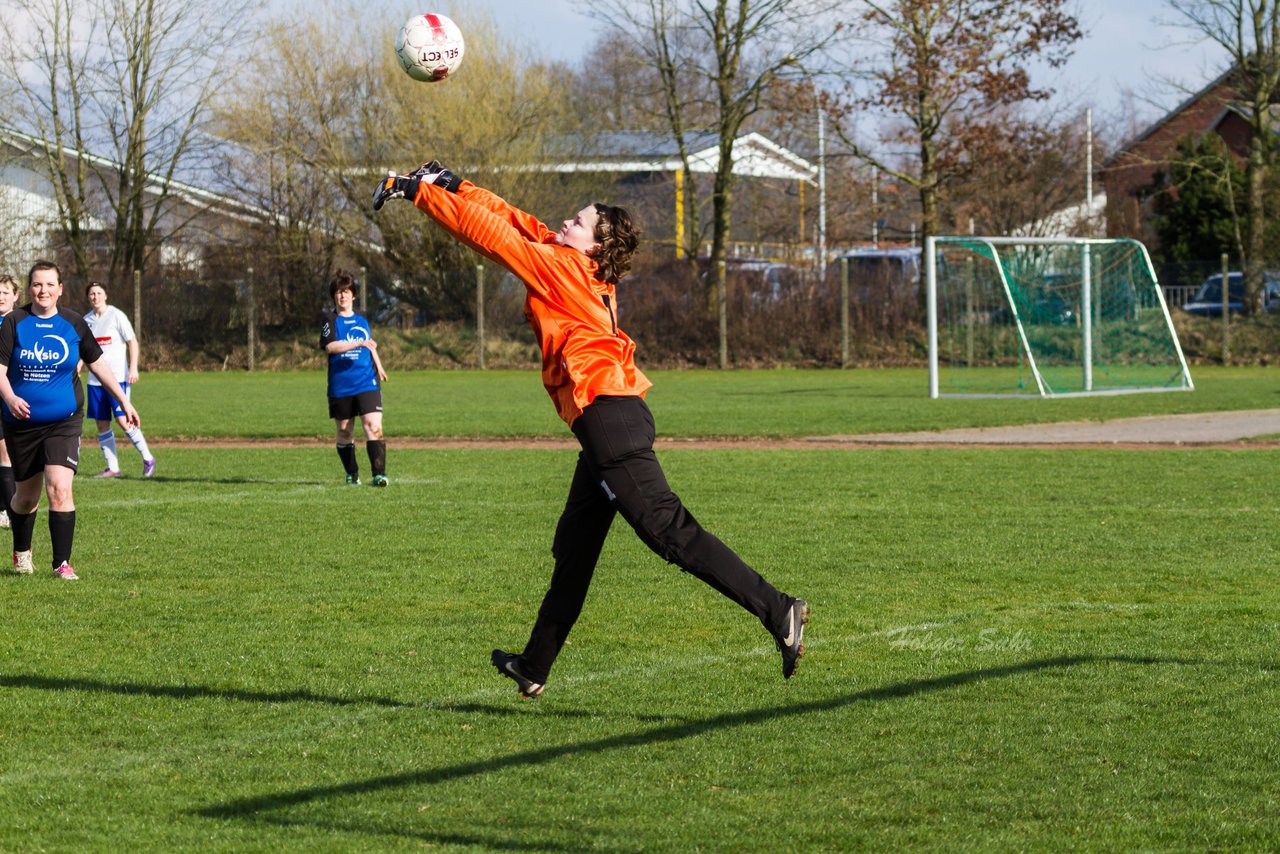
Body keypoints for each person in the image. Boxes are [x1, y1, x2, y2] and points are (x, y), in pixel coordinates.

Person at [373, 162, 809, 697]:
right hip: (608, 419)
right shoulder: (580, 265)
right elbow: (515, 222)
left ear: (593, 246)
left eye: (577, 222)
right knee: (574, 549)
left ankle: (779, 608)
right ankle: (534, 665)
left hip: (609, 419)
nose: (565, 222)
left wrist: (415, 192)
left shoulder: (564, 269)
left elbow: (489, 235)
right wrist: (452, 184)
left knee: (669, 531)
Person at [0, 261, 139, 579]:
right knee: (25, 497)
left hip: (64, 420)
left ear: (60, 288)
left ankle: (61, 563)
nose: (43, 290)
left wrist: (123, 401)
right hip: (21, 423)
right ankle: (22, 551)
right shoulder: (14, 322)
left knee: (60, 488)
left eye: (50, 285)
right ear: (30, 287)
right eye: (37, 284)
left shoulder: (73, 324)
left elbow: (99, 365)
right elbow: (0, 372)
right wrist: (10, 398)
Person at [319, 270, 389, 487]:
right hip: (341, 385)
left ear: (353, 296)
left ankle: (379, 475)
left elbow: (369, 343)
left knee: (373, 426)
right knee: (344, 431)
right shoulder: (330, 320)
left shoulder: (362, 320)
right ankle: (352, 474)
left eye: (346, 292)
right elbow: (331, 347)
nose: (343, 296)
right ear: (334, 296)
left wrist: (379, 365)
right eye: (339, 292)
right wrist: (357, 343)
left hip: (367, 381)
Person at [83, 281, 156, 478]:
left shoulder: (116, 315)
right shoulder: (86, 321)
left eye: (99, 293)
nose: (95, 297)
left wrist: (133, 368)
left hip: (117, 379)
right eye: (92, 294)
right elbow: (83, 351)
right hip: (94, 381)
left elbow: (132, 341)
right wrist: (75, 370)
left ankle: (148, 458)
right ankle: (113, 468)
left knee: (124, 420)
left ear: (105, 295)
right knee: (101, 423)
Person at [0, 275, 20, 530]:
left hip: (13, 396)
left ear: (16, 295)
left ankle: (10, 511)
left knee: (6, 452)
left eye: (6, 291)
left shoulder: (22, 323)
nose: (1, 296)